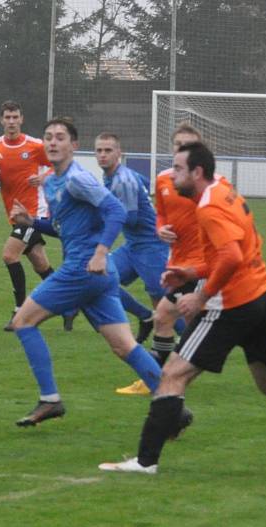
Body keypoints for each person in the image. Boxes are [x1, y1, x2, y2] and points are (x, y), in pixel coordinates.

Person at [99, 142, 266, 474]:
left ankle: (145, 462)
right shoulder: (223, 189)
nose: (172, 176)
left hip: (233, 304)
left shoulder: (209, 207)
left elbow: (231, 257)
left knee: (172, 374)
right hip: (261, 295)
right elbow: (232, 252)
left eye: (179, 169)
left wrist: (200, 296)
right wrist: (191, 272)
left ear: (197, 172)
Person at [8, 118, 164, 427]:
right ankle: (172, 403)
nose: (53, 142)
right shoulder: (52, 182)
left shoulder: (78, 179)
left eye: (60, 138)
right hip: (98, 276)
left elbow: (117, 211)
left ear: (73, 146)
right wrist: (32, 223)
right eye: (48, 137)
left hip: (82, 269)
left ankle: (50, 399)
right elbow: (64, 227)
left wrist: (101, 251)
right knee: (124, 345)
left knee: (22, 322)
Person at [115, 124, 215, 396]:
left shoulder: (210, 185)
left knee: (166, 317)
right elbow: (161, 215)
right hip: (178, 262)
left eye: (189, 146)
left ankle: (159, 380)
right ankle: (162, 377)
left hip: (200, 265)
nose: (183, 150)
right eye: (179, 145)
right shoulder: (162, 179)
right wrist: (161, 229)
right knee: (171, 318)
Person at [0, 101, 72, 332]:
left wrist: (44, 178)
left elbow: (60, 166)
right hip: (14, 214)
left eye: (15, 117)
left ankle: (19, 312)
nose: (11, 122)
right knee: (40, 263)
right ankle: (68, 306)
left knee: (9, 255)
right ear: (1, 120)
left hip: (34, 212)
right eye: (7, 117)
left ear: (21, 119)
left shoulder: (34, 145)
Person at [94, 133, 170, 395]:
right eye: (99, 150)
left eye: (108, 150)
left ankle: (201, 340)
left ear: (119, 153)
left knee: (167, 313)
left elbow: (132, 218)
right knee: (101, 277)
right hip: (134, 246)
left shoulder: (122, 180)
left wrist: (98, 215)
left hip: (150, 248)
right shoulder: (117, 176)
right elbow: (146, 188)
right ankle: (143, 316)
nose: (103, 155)